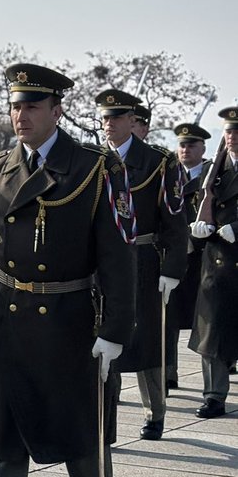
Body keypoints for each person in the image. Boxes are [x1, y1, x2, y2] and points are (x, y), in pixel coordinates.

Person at [0, 66, 135, 477]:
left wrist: (114, 331)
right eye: (16, 106)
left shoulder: (93, 168)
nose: (21, 116)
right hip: (5, 314)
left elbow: (117, 256)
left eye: (33, 106)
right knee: (3, 429)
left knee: (77, 426)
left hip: (66, 316)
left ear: (57, 111)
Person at [97, 90, 188, 440]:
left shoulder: (158, 162)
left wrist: (173, 267)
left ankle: (155, 413)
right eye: (105, 118)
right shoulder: (95, 159)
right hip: (104, 263)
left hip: (144, 259)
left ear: (133, 121)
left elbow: (175, 220)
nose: (110, 124)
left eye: (117, 118)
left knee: (147, 342)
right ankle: (106, 419)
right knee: (106, 341)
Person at [188, 106, 238, 418]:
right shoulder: (214, 171)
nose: (232, 137)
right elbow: (198, 206)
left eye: (237, 131)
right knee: (212, 332)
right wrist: (199, 231)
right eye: (229, 131)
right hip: (218, 260)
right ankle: (214, 396)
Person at [165, 122, 211, 389]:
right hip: (175, 255)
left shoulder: (211, 174)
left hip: (203, 256)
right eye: (182, 144)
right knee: (168, 318)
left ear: (202, 147)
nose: (185, 149)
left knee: (206, 319)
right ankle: (169, 372)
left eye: (191, 144)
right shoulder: (168, 175)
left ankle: (216, 378)